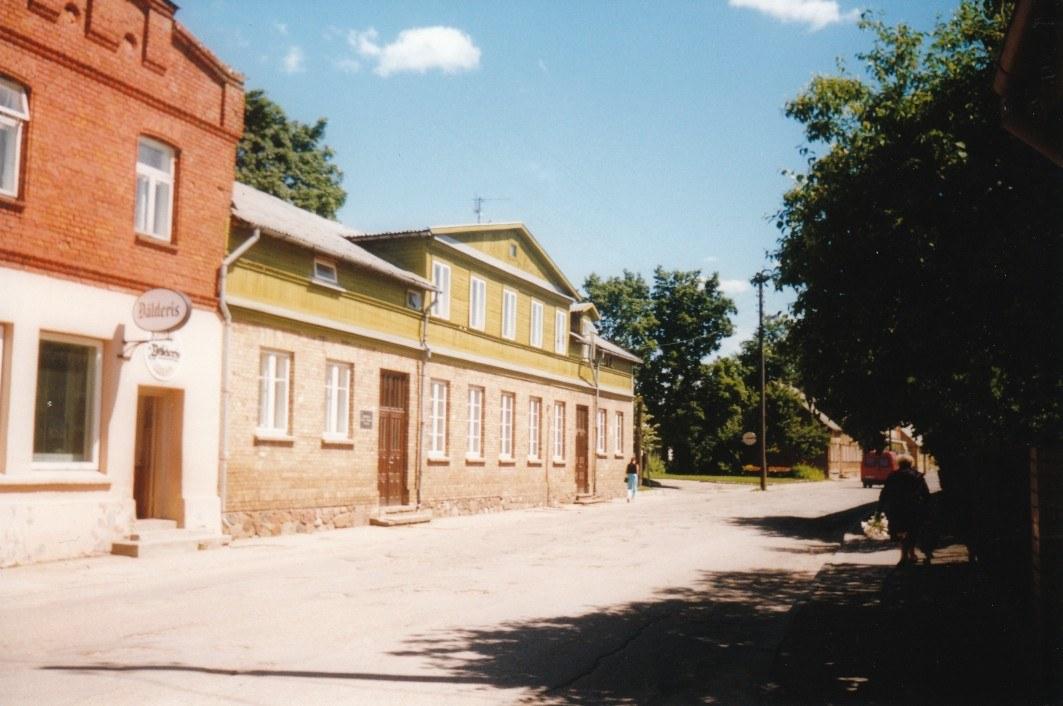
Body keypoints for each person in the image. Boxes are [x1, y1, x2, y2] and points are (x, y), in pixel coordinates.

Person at [878, 453, 932, 565]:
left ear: (899, 464)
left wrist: (879, 509)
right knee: (912, 531)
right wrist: (927, 508)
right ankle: (911, 554)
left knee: (901, 532)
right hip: (914, 508)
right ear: (911, 463)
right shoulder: (917, 476)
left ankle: (904, 556)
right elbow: (925, 494)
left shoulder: (893, 476)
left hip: (897, 509)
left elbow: (884, 493)